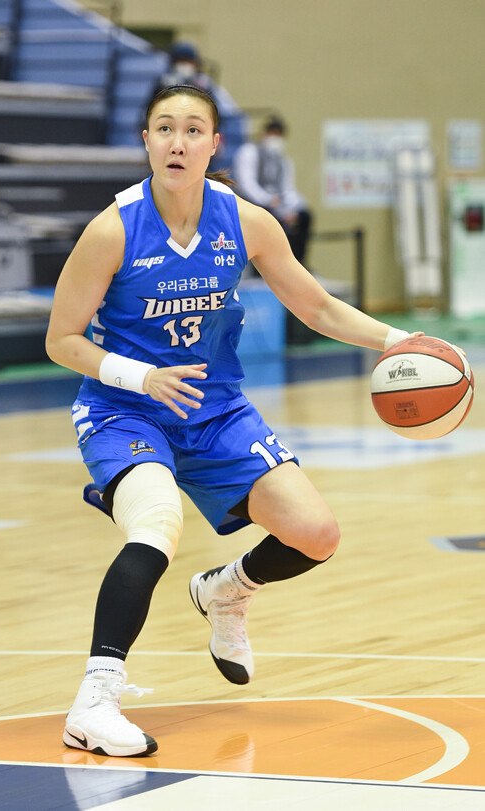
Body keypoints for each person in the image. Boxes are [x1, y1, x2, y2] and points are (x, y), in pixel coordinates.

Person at [45, 84, 420, 758]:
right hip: (126, 409)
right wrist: (141, 376)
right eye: (165, 128)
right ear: (146, 141)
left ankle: (226, 591)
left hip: (216, 409)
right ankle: (94, 701)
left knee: (317, 534)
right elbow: (61, 340)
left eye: (193, 130)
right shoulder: (112, 229)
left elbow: (317, 307)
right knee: (158, 527)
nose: (178, 142)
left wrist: (400, 341)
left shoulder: (245, 221)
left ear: (215, 144)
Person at [233, 115, 313, 266]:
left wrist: (290, 209)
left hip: (277, 204)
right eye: (273, 134)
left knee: (305, 215)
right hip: (255, 202)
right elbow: (247, 185)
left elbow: (288, 189)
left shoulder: (284, 161)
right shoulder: (249, 152)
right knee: (268, 216)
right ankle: (263, 266)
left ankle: (298, 262)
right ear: (264, 133)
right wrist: (269, 200)